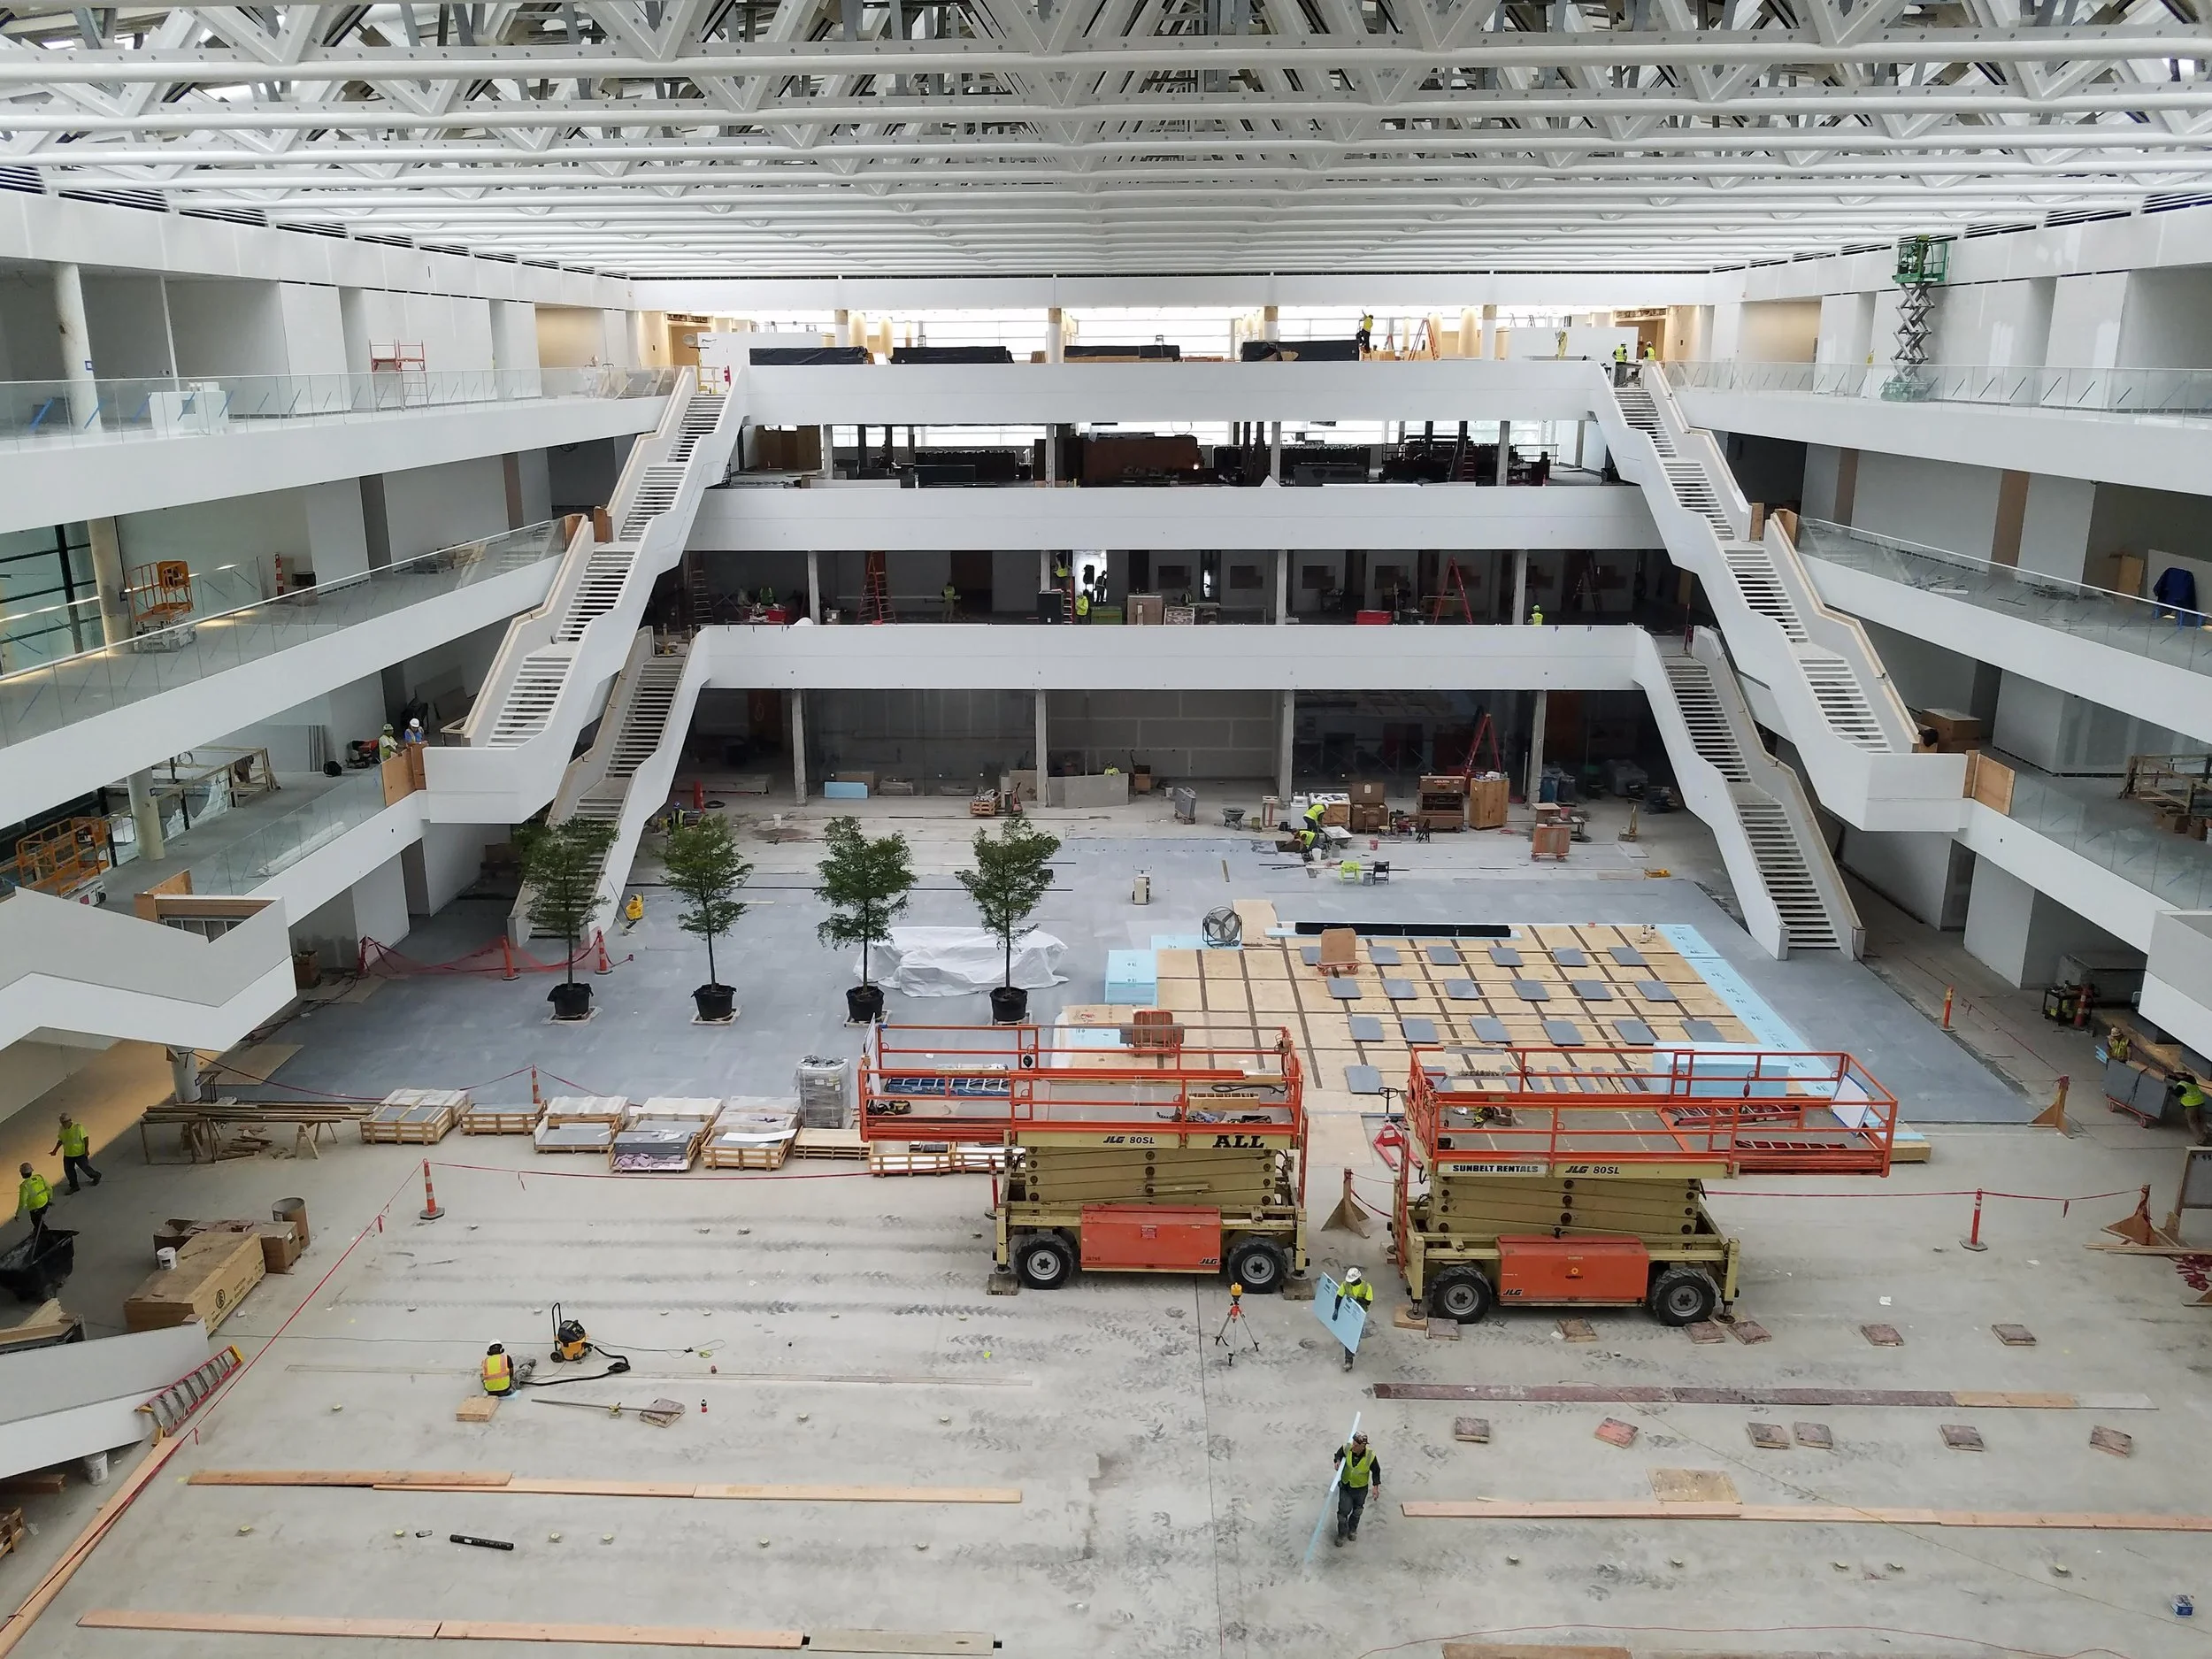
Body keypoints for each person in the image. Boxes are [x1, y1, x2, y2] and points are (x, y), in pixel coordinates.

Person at [1333, 1431, 1381, 1546]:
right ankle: (1341, 1534)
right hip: (1346, 1486)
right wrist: (1337, 1461)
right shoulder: (1347, 1448)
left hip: (1360, 1489)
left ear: (1363, 1446)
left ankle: (1352, 1530)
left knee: (1357, 1511)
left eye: (1356, 1445)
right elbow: (1338, 1455)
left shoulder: (1370, 1456)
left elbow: (1376, 1471)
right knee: (1343, 1513)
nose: (1353, 1446)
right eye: (1353, 1442)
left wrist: (1375, 1487)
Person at [1336, 1267, 1375, 1371]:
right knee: (1349, 1336)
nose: (1351, 1283)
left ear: (1357, 1279)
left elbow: (1368, 1302)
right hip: (1349, 1312)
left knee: (1356, 1335)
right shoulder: (1345, 1284)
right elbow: (1339, 1296)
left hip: (1360, 1314)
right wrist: (1336, 1310)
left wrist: (1357, 1299)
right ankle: (1348, 1361)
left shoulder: (1366, 1287)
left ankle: (1354, 1344)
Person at [52, 1115, 99, 1194]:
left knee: (85, 1167)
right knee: (69, 1171)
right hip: (68, 1154)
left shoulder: (78, 1127)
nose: (64, 1124)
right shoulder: (62, 1129)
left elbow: (85, 1138)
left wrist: (86, 1150)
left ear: (70, 1120)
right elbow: (61, 1140)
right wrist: (55, 1150)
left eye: (65, 1122)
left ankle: (96, 1175)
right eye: (62, 1123)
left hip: (79, 1153)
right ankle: (74, 1186)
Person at [16, 1163, 51, 1243]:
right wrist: (49, 1199)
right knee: (39, 1221)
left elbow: (22, 1202)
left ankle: (45, 1238)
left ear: (22, 1174)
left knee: (38, 1223)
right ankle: (37, 1232)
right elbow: (49, 1188)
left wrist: (18, 1214)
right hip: (44, 1202)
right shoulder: (39, 1178)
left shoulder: (25, 1185)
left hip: (35, 1207)